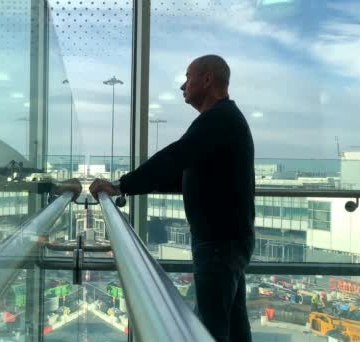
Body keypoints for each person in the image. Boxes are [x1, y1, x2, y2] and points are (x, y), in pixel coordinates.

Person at [89, 55, 255, 342]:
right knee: (232, 324)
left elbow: (175, 157)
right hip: (227, 239)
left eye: (188, 77)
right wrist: (132, 185)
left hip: (219, 242)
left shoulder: (219, 119)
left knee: (210, 328)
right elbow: (186, 171)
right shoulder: (224, 119)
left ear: (206, 79)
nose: (182, 85)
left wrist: (121, 185)